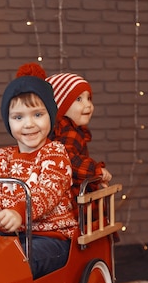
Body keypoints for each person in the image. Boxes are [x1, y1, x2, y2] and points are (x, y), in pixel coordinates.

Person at [0, 65, 79, 280]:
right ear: (9, 121)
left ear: (50, 116)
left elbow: (47, 193)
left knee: (18, 259)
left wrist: (18, 212)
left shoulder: (55, 153)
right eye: (18, 117)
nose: (29, 124)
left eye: (38, 114)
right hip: (9, 238)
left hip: (51, 239)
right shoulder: (0, 158)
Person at [45, 72, 112, 201]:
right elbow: (67, 160)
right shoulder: (69, 131)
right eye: (79, 99)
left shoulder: (64, 129)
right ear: (60, 106)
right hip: (73, 199)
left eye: (89, 98)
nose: (88, 105)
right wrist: (96, 171)